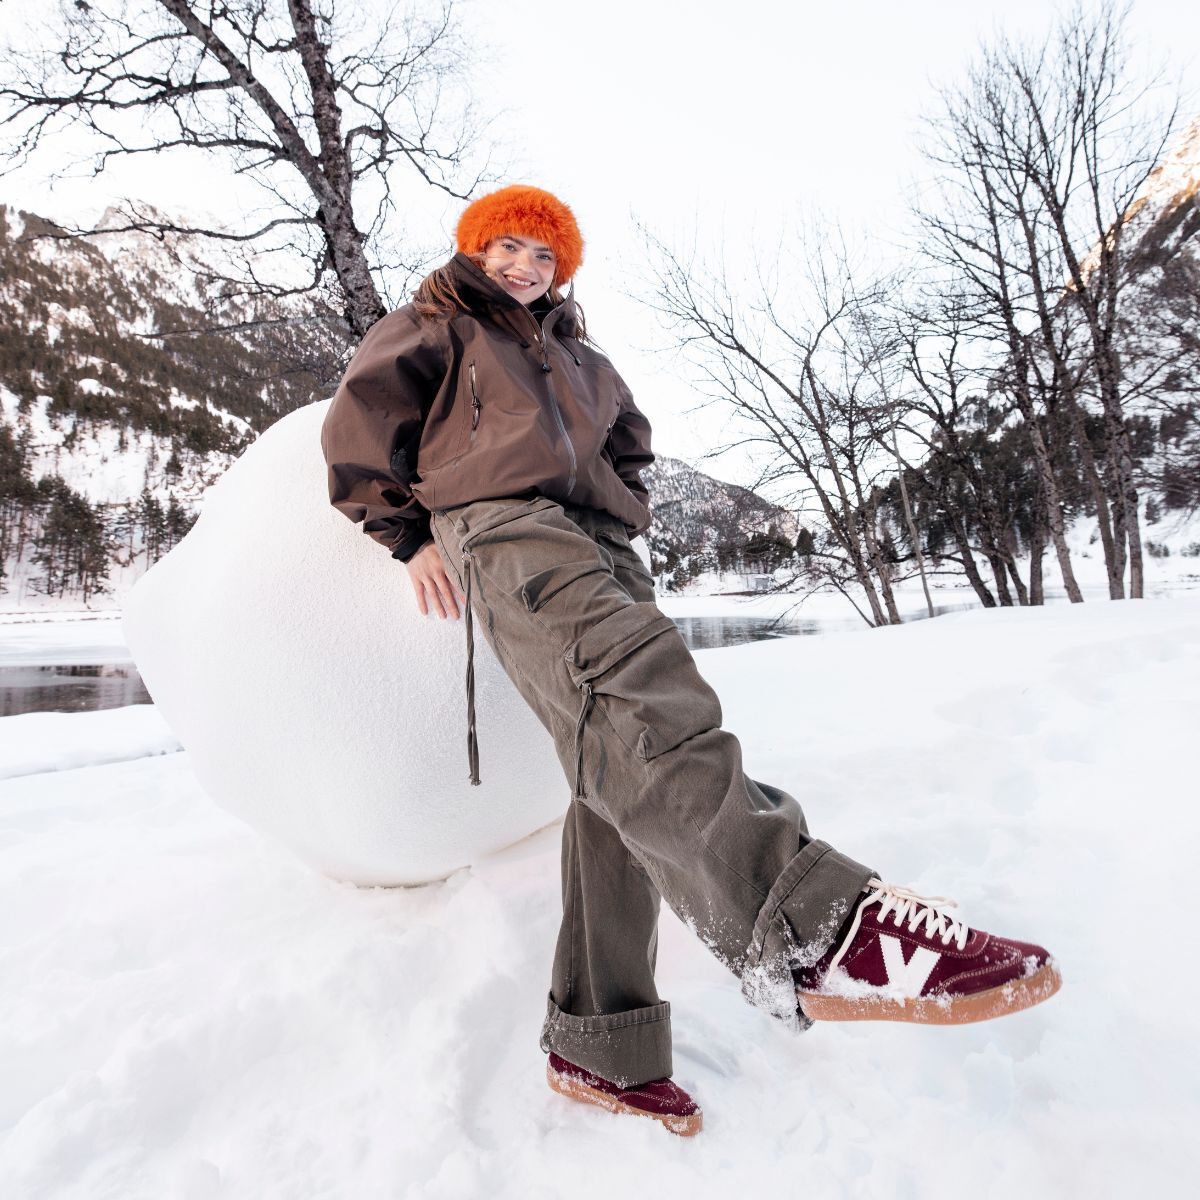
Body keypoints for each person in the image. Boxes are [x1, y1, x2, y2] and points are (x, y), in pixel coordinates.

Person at [319, 185, 1061, 1138]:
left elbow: (631, 451)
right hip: (504, 527)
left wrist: (622, 510)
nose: (523, 267)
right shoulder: (437, 322)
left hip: (599, 544)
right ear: (476, 248)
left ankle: (601, 1039)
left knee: (609, 770)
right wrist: (406, 531)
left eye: (543, 257)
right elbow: (362, 421)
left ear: (563, 272)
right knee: (641, 697)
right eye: (507, 247)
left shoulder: (583, 359)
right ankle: (817, 929)